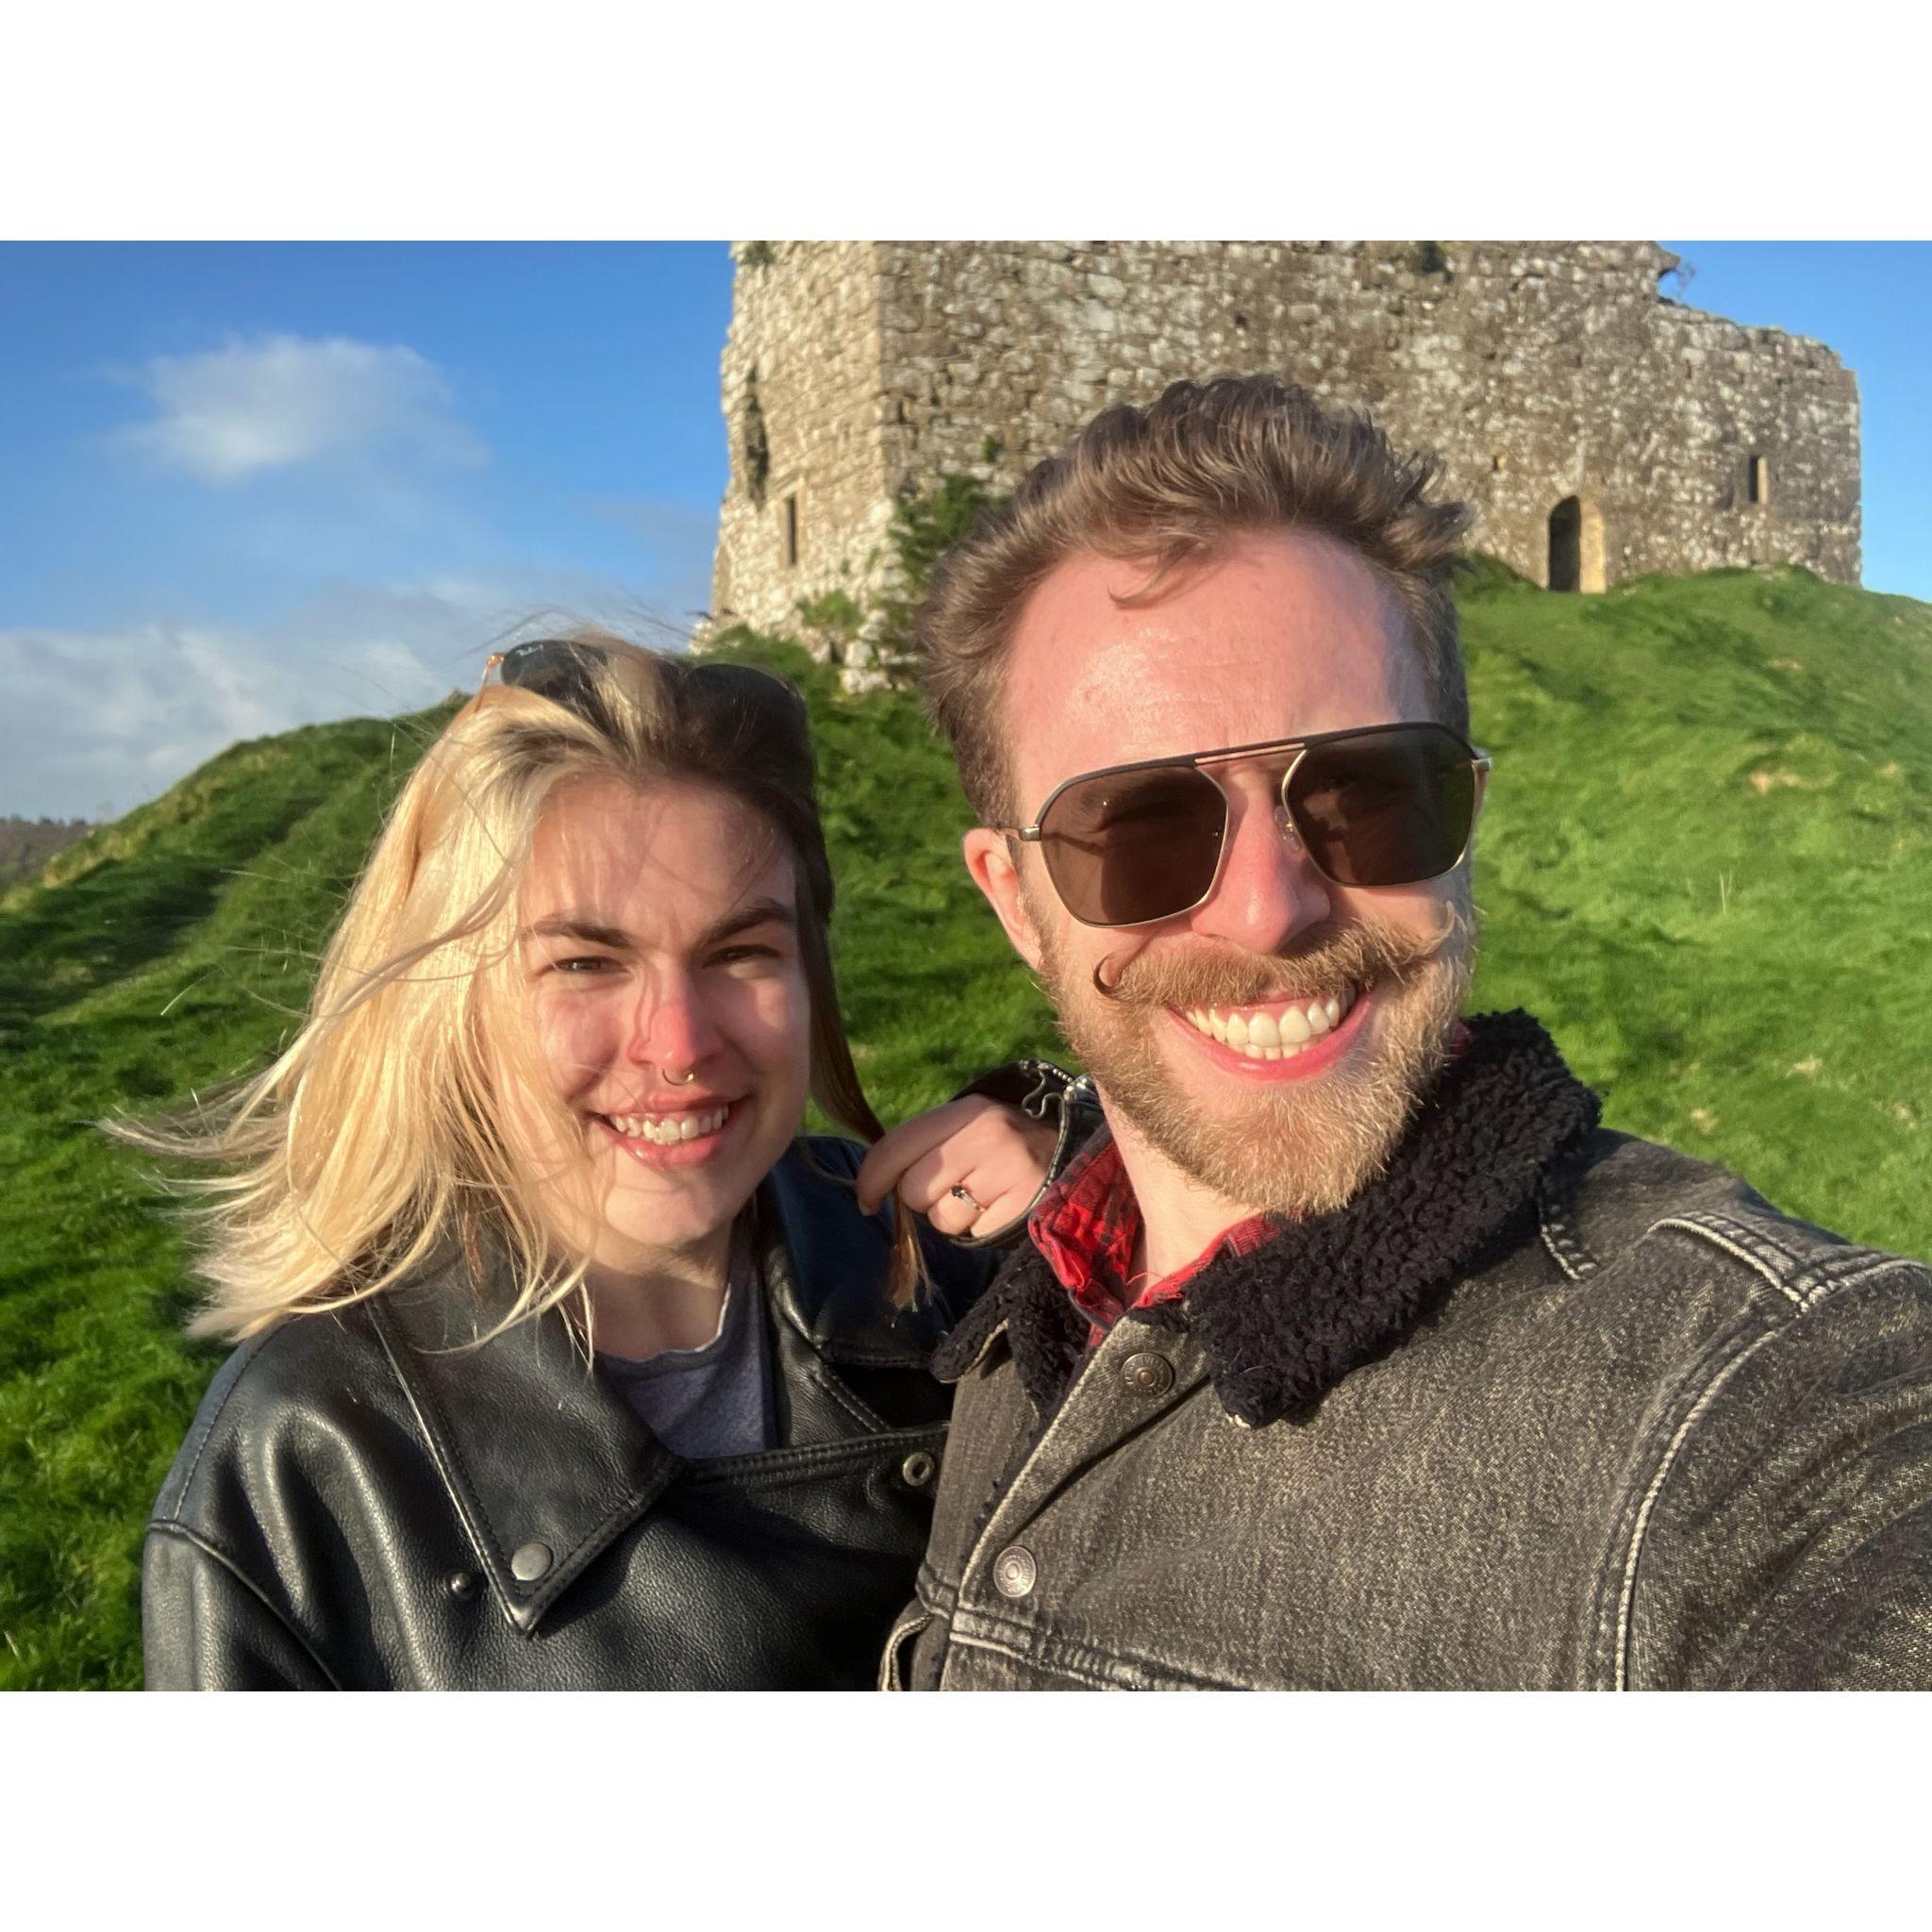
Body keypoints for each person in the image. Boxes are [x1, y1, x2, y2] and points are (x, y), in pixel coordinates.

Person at [870, 374, 1932, 1690]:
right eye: (1138, 829)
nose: (1270, 911)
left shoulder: (1732, 1406)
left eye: (1371, 794)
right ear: (1016, 900)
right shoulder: (1013, 1317)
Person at [132, 633, 1065, 1690]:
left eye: (738, 951)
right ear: (456, 1005)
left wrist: (1104, 1203)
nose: (676, 1043)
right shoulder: (299, 1467)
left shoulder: (958, 1283)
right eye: (583, 961)